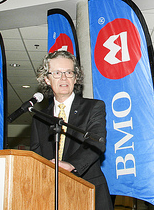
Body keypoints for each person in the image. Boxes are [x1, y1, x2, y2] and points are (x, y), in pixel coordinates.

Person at [30, 50, 113, 210]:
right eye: (57, 73)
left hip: (89, 190)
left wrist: (70, 164)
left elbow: (96, 143)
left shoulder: (94, 107)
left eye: (69, 72)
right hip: (51, 194)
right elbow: (36, 154)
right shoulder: (38, 117)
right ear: (46, 79)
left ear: (76, 78)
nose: (63, 78)